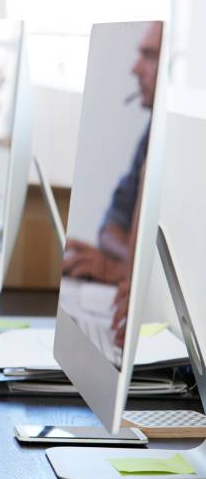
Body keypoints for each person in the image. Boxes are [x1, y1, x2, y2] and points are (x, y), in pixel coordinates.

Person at [62, 22, 162, 284]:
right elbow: (112, 226)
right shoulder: (152, 131)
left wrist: (125, 270)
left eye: (150, 56)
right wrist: (129, 266)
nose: (135, 68)